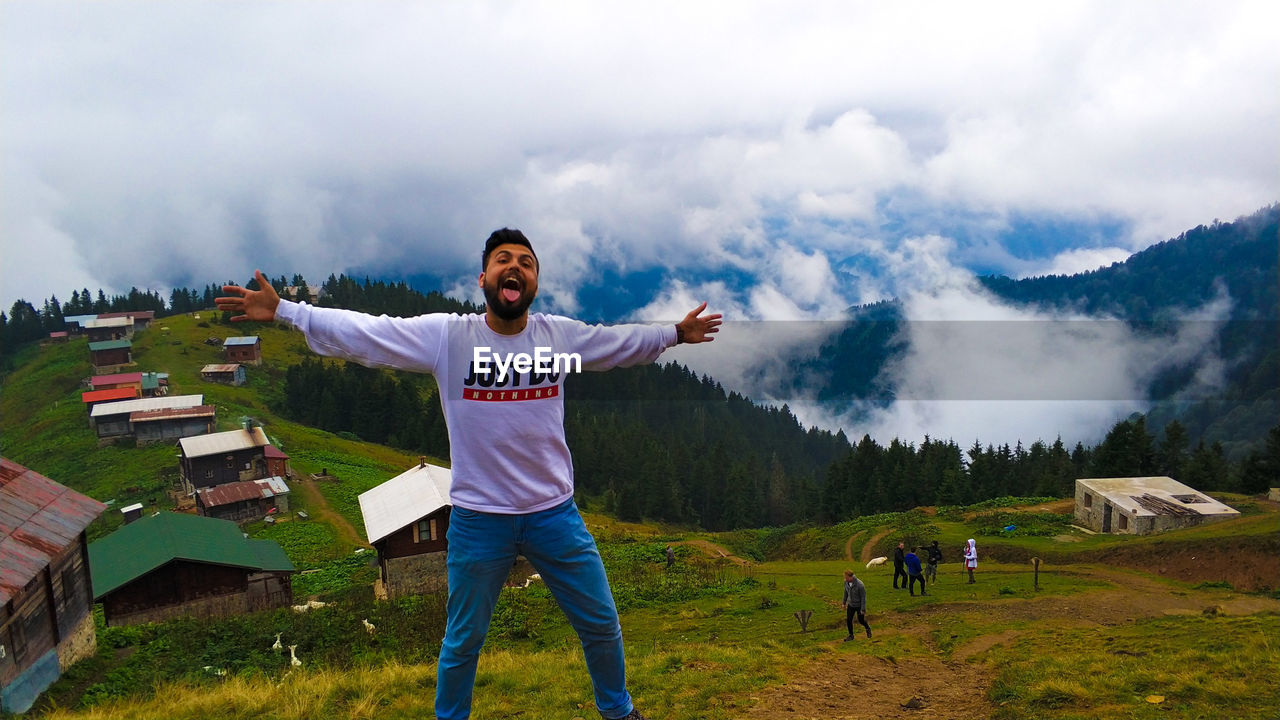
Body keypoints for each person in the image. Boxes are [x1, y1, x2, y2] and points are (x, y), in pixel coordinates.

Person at [216, 229, 721, 720]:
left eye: (526, 262)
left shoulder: (557, 338)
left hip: (554, 515)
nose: (515, 267)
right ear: (483, 278)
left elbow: (614, 344)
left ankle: (618, 711)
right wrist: (285, 311)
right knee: (463, 641)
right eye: (504, 259)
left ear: (534, 285)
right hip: (481, 520)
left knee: (602, 624)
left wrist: (674, 333)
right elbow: (369, 333)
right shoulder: (449, 339)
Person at [841, 570, 872, 640]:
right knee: (849, 620)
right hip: (851, 605)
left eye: (846, 578)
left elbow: (863, 597)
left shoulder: (860, 585)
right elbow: (845, 592)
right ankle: (851, 635)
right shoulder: (846, 582)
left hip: (859, 606)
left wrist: (863, 609)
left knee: (861, 620)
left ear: (851, 577)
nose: (845, 579)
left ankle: (867, 628)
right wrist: (844, 603)